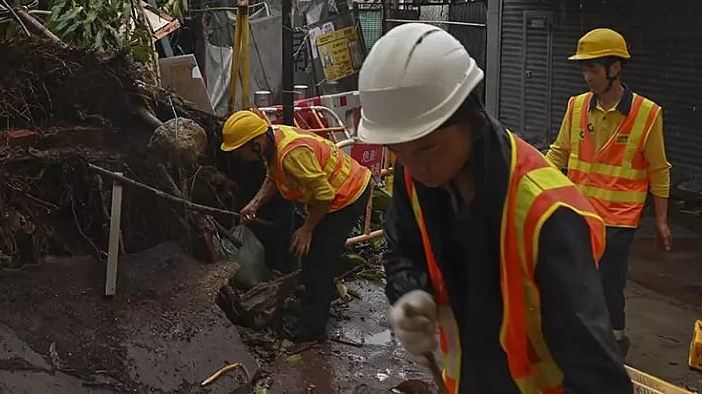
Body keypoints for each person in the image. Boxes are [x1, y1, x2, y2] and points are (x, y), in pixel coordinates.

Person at [358, 23, 631, 394]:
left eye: (427, 148)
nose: (414, 166)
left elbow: (595, 368)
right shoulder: (418, 177)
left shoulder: (546, 215)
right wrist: (409, 292)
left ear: (474, 120)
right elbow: (403, 246)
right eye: (398, 150)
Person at [545, 28, 672, 357]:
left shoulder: (647, 114)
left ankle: (614, 343)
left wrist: (661, 220)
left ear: (614, 69)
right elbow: (558, 153)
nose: (586, 76)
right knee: (573, 277)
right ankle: (579, 339)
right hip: (578, 213)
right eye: (584, 69)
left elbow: (659, 169)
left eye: (593, 69)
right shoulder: (575, 107)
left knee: (608, 284)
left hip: (618, 221)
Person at [221, 109, 371, 342]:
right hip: (334, 195)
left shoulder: (292, 154)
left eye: (239, 152)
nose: (239, 158)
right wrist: (254, 204)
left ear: (256, 144)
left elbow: (325, 195)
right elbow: (274, 176)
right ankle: (320, 298)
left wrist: (307, 229)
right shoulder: (273, 140)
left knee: (320, 259)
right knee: (313, 256)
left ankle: (312, 330)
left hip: (346, 195)